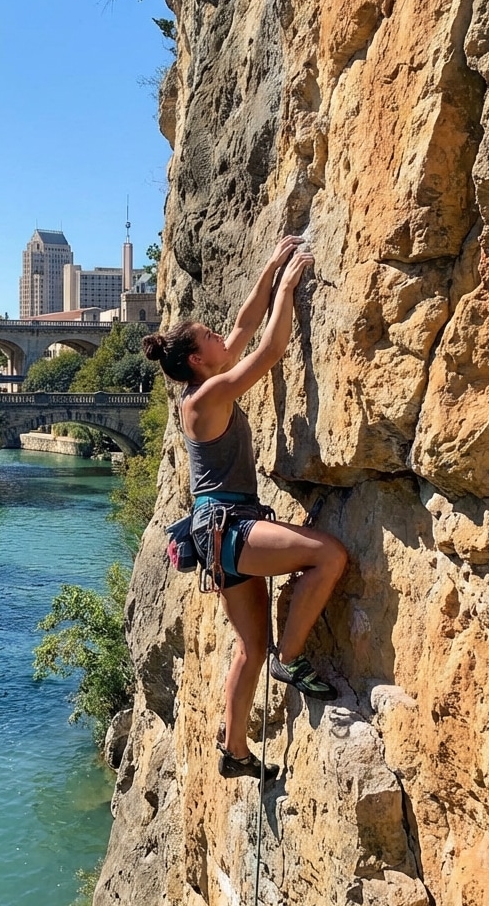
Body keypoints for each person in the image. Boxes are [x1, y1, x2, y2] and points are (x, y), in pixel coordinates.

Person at [142, 235, 347, 781]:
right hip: (232, 530)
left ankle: (235, 752)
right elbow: (269, 351)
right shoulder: (205, 399)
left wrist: (270, 268)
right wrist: (290, 284)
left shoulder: (207, 384)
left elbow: (242, 325)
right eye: (209, 338)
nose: (219, 337)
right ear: (195, 359)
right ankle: (293, 656)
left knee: (248, 649)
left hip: (220, 538)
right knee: (328, 556)